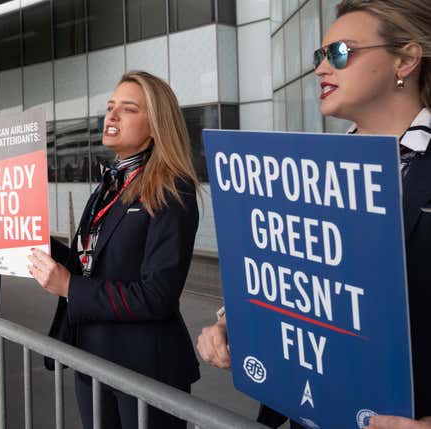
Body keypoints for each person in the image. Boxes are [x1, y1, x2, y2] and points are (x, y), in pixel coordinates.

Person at [197, 0, 431, 426]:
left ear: (406, 59)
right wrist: (233, 324)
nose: (322, 69)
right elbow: (293, 277)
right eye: (318, 56)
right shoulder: (305, 174)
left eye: (340, 53)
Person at [29, 71, 201, 429]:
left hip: (145, 367)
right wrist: (32, 241)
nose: (112, 116)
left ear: (155, 125)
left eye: (128, 108)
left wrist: (69, 287)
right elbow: (88, 264)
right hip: (92, 356)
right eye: (110, 107)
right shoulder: (109, 185)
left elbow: (158, 295)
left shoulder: (173, 188)